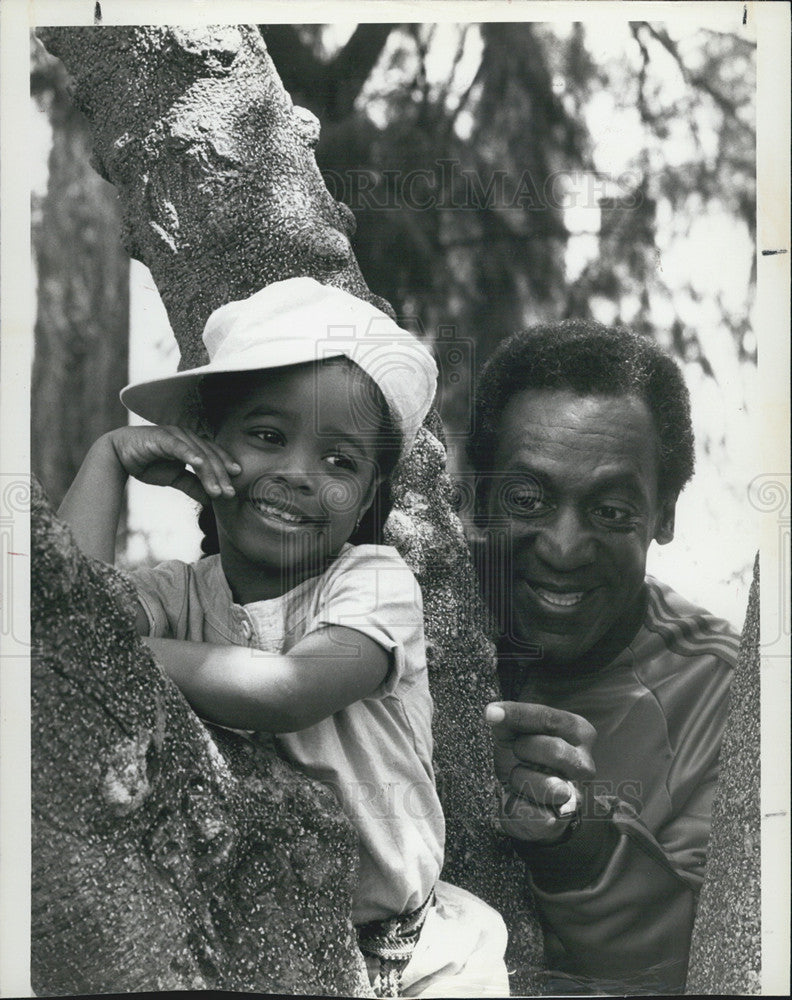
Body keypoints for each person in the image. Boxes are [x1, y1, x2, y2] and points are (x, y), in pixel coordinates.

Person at [59, 277, 509, 999]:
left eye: (341, 461)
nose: (301, 474)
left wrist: (129, 656)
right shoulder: (179, 593)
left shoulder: (374, 584)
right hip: (249, 937)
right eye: (268, 437)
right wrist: (109, 459)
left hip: (412, 954)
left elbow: (289, 690)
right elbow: (64, 637)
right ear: (205, 452)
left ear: (365, 497)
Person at [468, 320, 738, 994]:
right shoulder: (399, 615)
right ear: (480, 497)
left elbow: (707, 956)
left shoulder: (724, 691)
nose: (563, 547)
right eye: (529, 499)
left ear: (666, 515)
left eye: (612, 510)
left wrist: (578, 847)